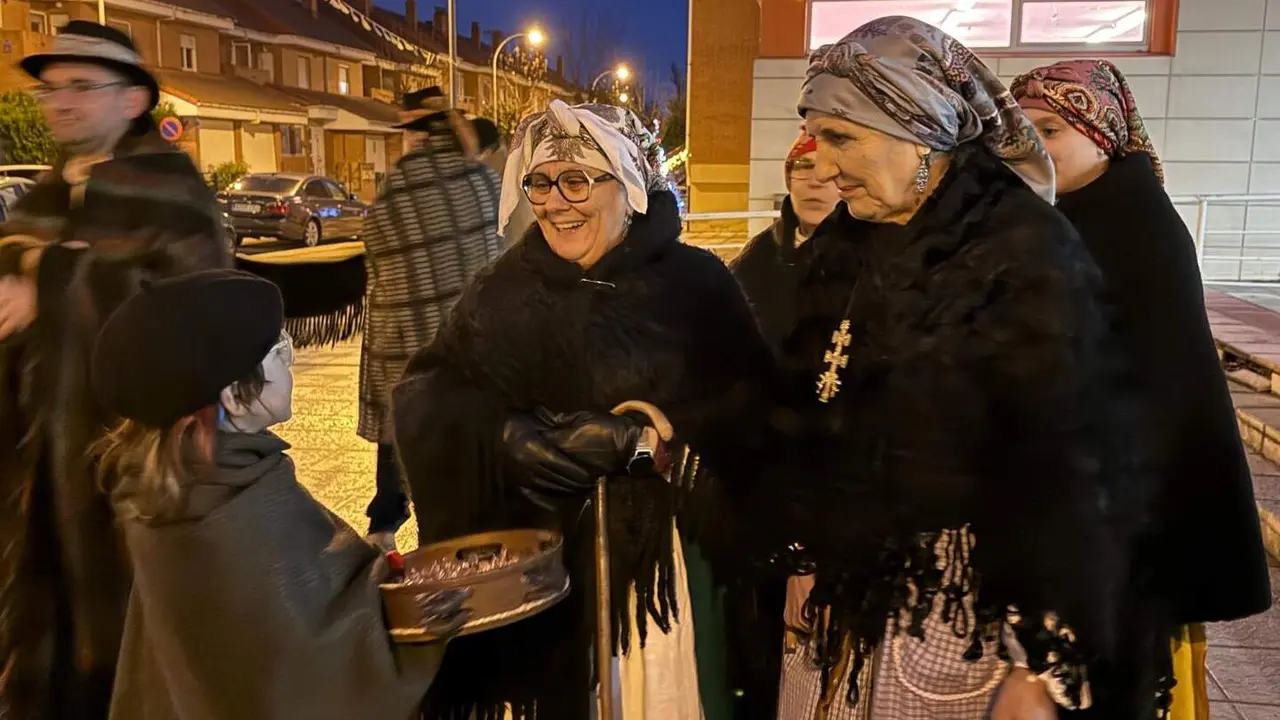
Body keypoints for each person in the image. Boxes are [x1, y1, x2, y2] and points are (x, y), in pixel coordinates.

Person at [535, 17, 1149, 719]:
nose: (821, 165)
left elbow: (1073, 463)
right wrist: (800, 555)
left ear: (916, 126)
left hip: (958, 622)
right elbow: (799, 404)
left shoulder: (1024, 254)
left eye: (840, 136)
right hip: (835, 607)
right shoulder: (848, 243)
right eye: (818, 138)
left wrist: (1036, 664)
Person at [391, 99, 773, 719]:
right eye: (540, 182)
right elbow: (426, 394)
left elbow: (756, 418)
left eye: (576, 180)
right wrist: (504, 438)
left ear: (627, 185)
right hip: (539, 584)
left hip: (660, 586)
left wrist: (652, 449)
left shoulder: (697, 286)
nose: (554, 202)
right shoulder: (502, 289)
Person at [1012, 59, 1272, 718]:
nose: (1035, 148)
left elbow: (1148, 387)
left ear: (1102, 132)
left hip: (1132, 519)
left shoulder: (1125, 225)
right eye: (1024, 131)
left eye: (1051, 128)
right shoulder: (1080, 212)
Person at [88, 269, 467, 719]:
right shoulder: (235, 512)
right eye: (278, 352)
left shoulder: (169, 488)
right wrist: (417, 620)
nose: (289, 363)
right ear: (234, 396)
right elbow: (312, 673)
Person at [0, 21, 228, 718]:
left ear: (132, 101)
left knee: (135, 651)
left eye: (81, 88)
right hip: (33, 471)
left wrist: (56, 282)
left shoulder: (172, 191)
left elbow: (199, 315)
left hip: (129, 467)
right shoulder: (39, 199)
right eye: (51, 90)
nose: (59, 103)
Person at [721, 129, 842, 719]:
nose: (813, 184)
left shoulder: (863, 261)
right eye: (801, 172)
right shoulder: (757, 259)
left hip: (820, 474)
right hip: (757, 471)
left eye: (825, 172)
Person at [358, 106, 504, 552]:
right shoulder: (483, 181)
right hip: (472, 343)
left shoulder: (396, 189)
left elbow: (377, 258)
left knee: (402, 428)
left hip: (407, 340)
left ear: (417, 136)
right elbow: (497, 247)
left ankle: (388, 527)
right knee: (465, 445)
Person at [732, 129, 841, 348]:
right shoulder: (757, 259)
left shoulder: (874, 260)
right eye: (804, 167)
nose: (815, 181)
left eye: (830, 172)